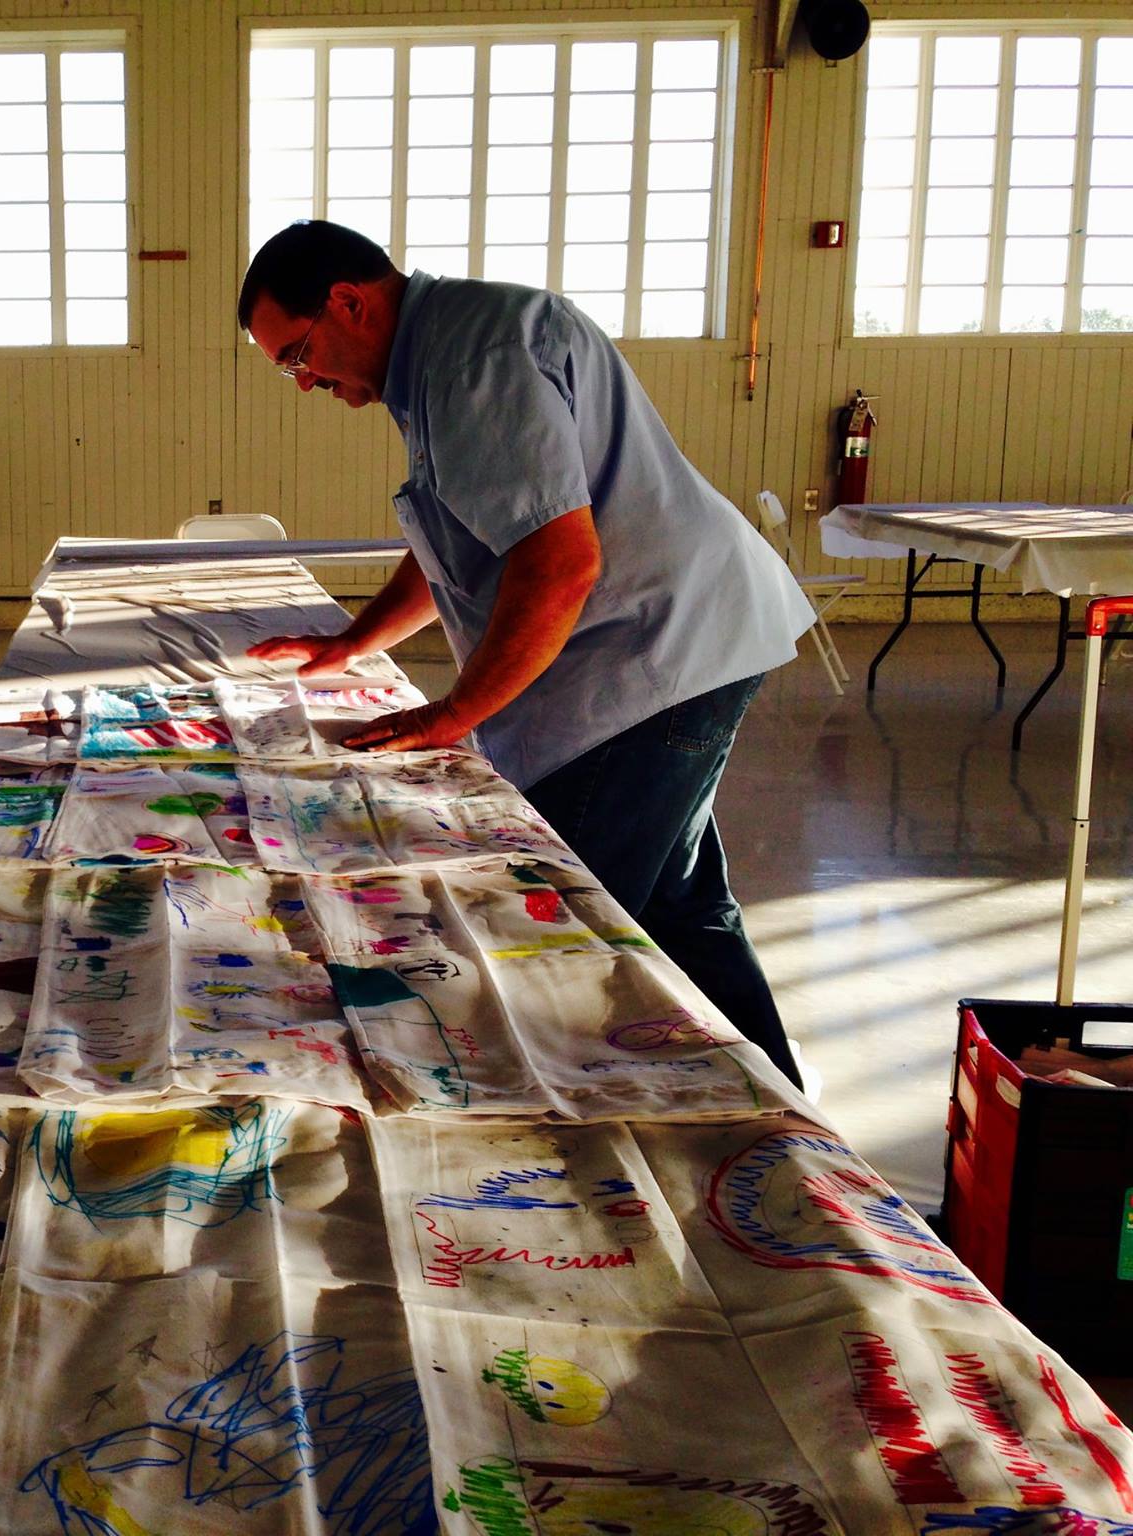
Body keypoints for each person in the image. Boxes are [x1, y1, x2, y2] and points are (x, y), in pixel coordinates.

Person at [237, 220, 813, 1087]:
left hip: (647, 659)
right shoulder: (444, 349)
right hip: (679, 638)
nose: (306, 380)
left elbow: (559, 562)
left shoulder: (472, 360)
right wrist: (357, 640)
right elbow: (465, 532)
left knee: (553, 920)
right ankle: (784, 1109)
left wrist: (458, 712)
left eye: (297, 355)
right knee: (677, 909)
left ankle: (535, 1120)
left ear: (349, 302)